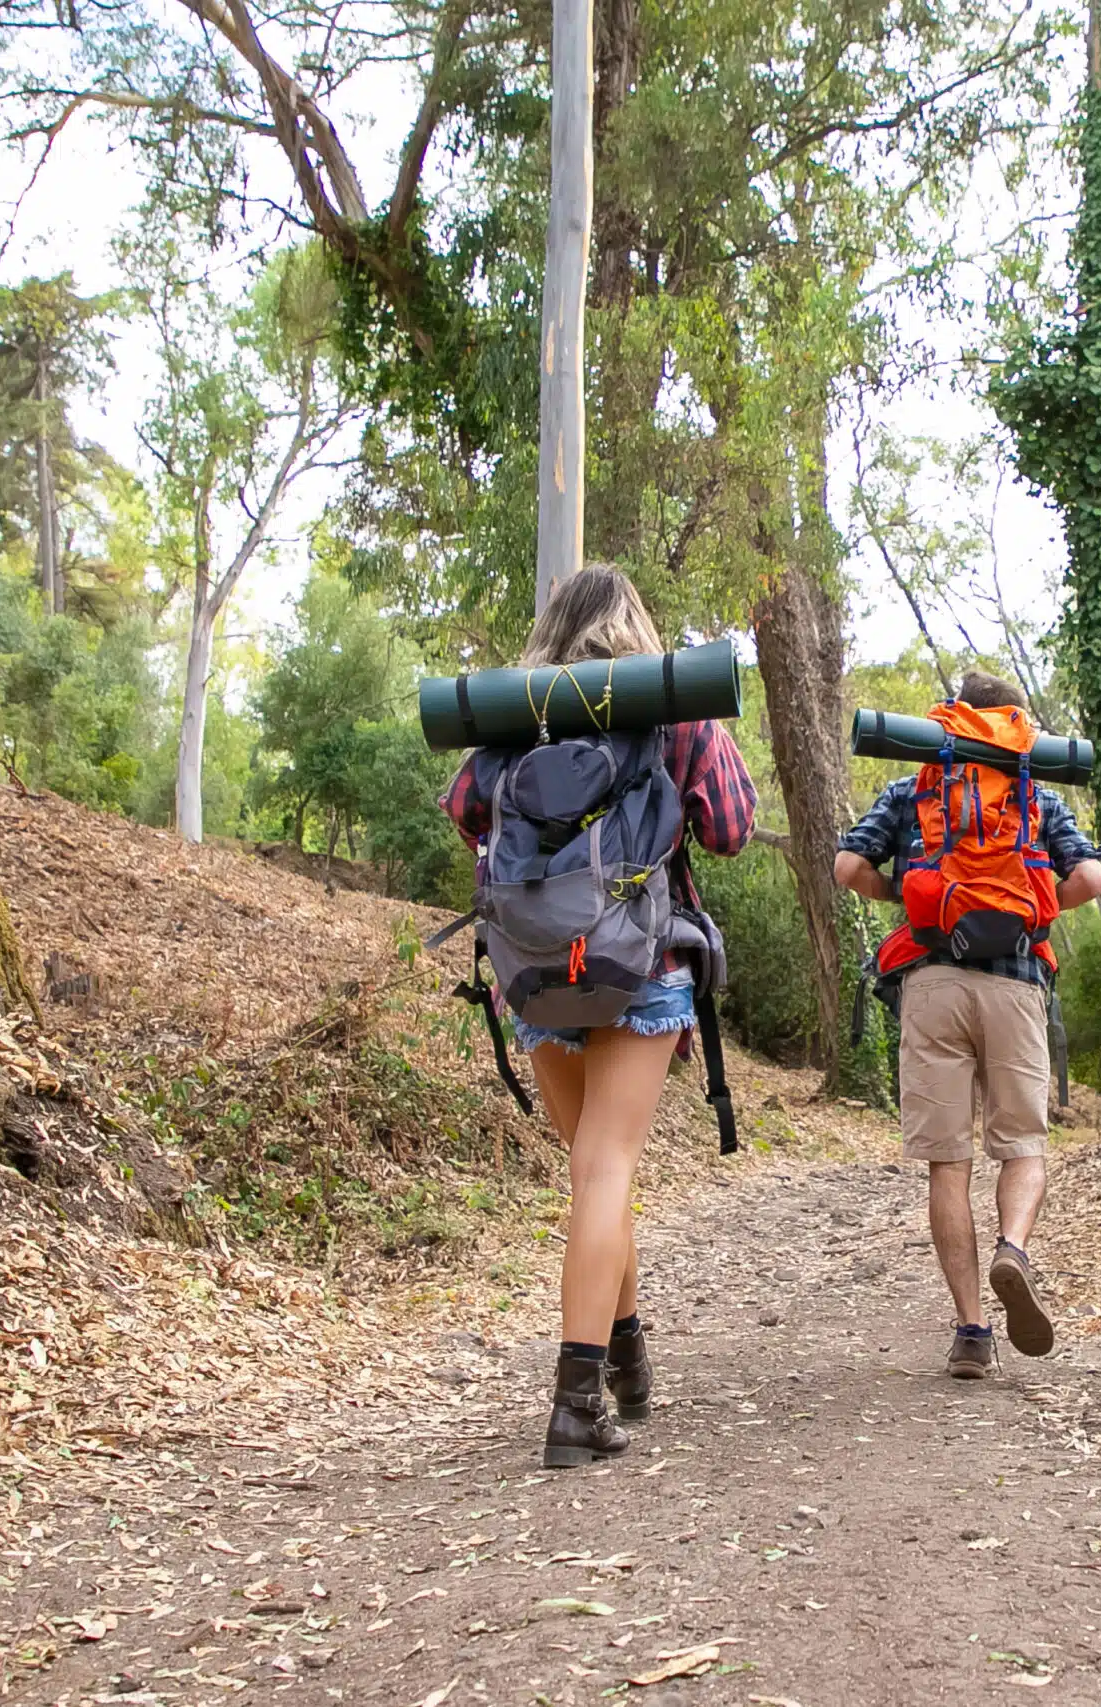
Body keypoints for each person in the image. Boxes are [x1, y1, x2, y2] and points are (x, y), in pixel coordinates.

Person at [442, 568, 756, 1465]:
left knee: (593, 1172)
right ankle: (576, 1405)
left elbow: (466, 812)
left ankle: (627, 1358)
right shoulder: (671, 708)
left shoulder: (515, 712)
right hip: (639, 959)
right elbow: (730, 826)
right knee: (606, 1168)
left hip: (537, 966)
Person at [833, 671, 1101, 1377]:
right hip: (1015, 983)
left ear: (954, 721)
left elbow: (847, 866)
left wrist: (909, 891)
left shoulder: (916, 789)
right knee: (1022, 1146)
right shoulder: (1034, 794)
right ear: (1013, 724)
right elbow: (1092, 879)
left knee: (947, 1162)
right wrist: (1032, 908)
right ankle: (1012, 1247)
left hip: (932, 981)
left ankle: (971, 1333)